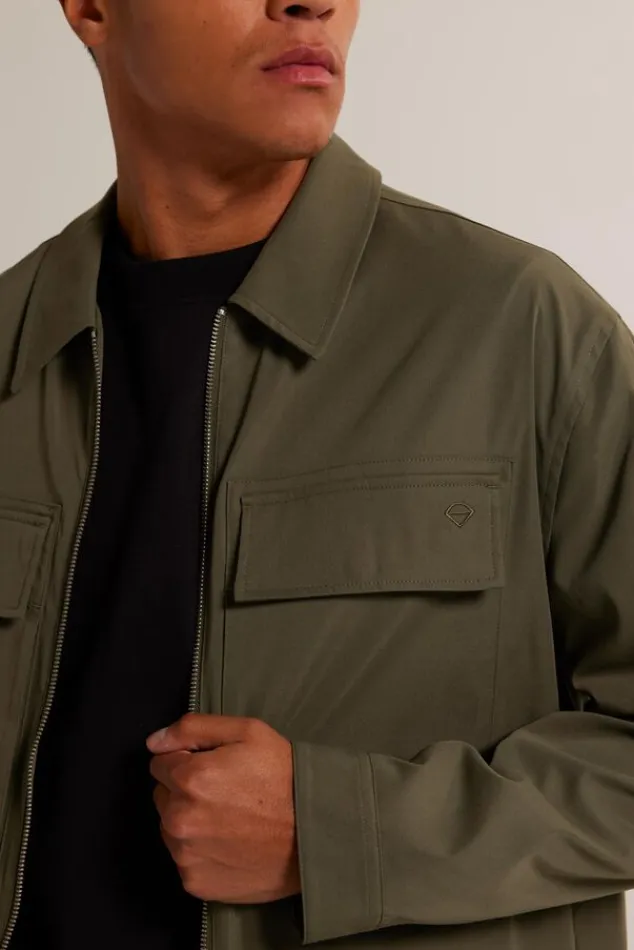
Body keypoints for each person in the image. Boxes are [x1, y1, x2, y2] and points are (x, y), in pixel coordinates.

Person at [1, 1, 633, 948]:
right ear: (92, 8)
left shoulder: (522, 328)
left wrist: (347, 834)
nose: (312, 1)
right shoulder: (9, 348)